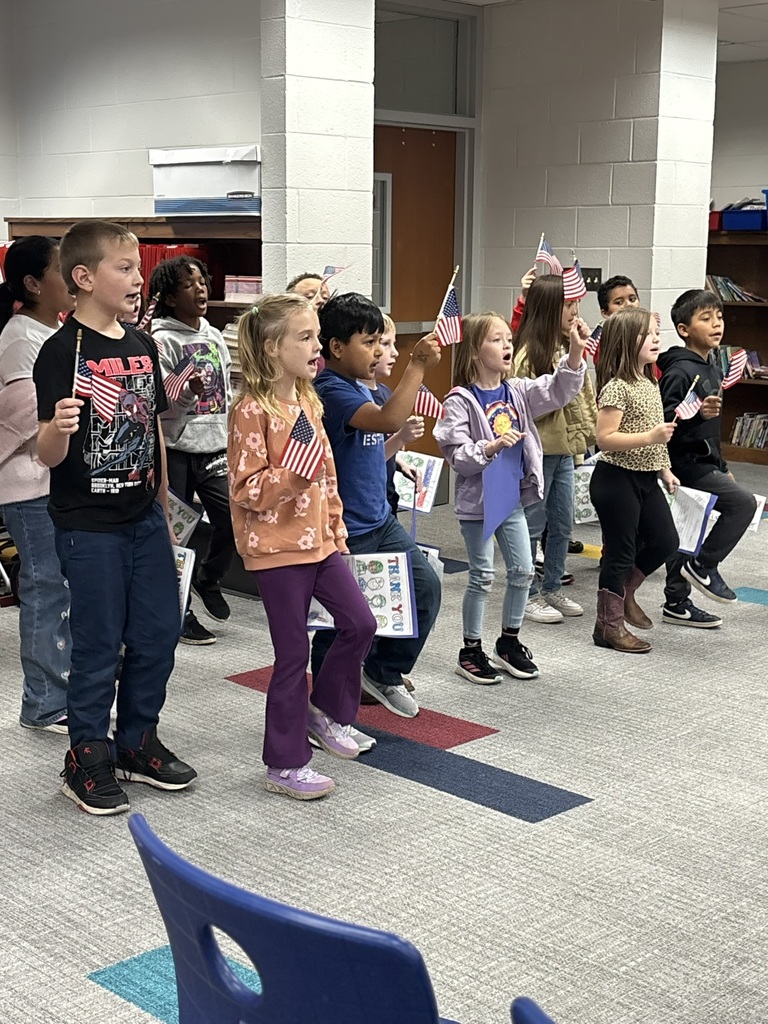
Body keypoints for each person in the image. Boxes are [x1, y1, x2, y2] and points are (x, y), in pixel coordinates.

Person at [33, 219, 196, 815]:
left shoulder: (141, 344)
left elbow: (151, 427)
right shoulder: (60, 352)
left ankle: (136, 741)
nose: (137, 278)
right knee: (99, 644)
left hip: (144, 520)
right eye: (123, 268)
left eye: (138, 267)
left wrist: (163, 510)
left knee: (158, 634)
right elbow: (45, 453)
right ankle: (86, 754)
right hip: (88, 525)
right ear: (83, 277)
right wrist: (56, 429)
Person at [227, 294, 377, 800]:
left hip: (321, 545)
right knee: (292, 655)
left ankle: (326, 714)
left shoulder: (310, 400)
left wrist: (337, 534)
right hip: (277, 550)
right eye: (306, 338)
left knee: (360, 623)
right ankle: (284, 764)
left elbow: (327, 479)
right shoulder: (252, 410)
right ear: (273, 347)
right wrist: (289, 479)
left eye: (317, 336)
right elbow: (246, 489)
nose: (317, 347)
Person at [434, 312, 587, 683]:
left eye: (507, 339)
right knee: (482, 575)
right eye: (496, 340)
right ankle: (470, 649)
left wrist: (576, 354)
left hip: (512, 500)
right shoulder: (460, 400)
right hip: (479, 504)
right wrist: (489, 447)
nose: (506, 345)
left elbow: (557, 389)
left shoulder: (516, 390)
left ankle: (509, 642)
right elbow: (456, 454)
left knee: (521, 571)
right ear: (474, 351)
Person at [312, 293, 442, 718]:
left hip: (379, 520)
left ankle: (383, 673)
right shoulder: (330, 389)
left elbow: (377, 441)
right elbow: (386, 420)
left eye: (381, 343)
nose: (378, 352)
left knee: (425, 588)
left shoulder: (367, 388)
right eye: (369, 343)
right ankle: (324, 710)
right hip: (345, 529)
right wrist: (418, 365)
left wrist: (398, 448)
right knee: (342, 624)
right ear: (336, 347)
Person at [0, 236, 74, 732]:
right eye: (60, 269)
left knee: (59, 587)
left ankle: (58, 690)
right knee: (45, 588)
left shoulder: (49, 331)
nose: (72, 279)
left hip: (51, 481)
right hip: (27, 486)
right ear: (32, 283)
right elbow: (20, 416)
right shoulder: (22, 337)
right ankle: (44, 701)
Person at [149, 255, 236, 646]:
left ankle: (209, 577)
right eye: (189, 285)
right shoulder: (160, 339)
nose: (200, 289)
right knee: (175, 537)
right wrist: (187, 391)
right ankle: (180, 614)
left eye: (203, 281)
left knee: (234, 520)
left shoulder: (215, 334)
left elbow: (228, 390)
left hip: (214, 446)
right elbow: (161, 403)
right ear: (169, 297)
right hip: (176, 449)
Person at [658, 289, 756, 623]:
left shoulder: (712, 367)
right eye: (706, 318)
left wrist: (722, 465)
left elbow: (709, 430)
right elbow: (666, 420)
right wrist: (698, 414)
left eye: (719, 317)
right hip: (685, 463)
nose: (717, 324)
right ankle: (703, 564)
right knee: (743, 504)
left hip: (705, 460)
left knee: (690, 529)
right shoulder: (680, 370)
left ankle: (676, 601)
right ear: (684, 329)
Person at [589, 307, 680, 653]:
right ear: (627, 342)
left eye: (657, 333)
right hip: (616, 479)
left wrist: (664, 469)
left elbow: (657, 439)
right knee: (621, 553)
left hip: (645, 477)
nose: (656, 339)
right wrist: (649, 437)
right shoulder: (617, 388)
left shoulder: (649, 381)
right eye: (647, 335)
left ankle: (624, 594)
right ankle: (609, 627)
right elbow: (605, 439)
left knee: (666, 540)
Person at [513, 275, 597, 624]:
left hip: (565, 448)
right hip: (539, 450)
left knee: (562, 522)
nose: (575, 311)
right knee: (533, 522)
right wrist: (562, 377)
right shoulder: (529, 351)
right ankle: (527, 591)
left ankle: (551, 585)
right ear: (549, 308)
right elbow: (525, 403)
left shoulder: (569, 344)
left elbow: (584, 396)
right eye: (568, 304)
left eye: (577, 303)